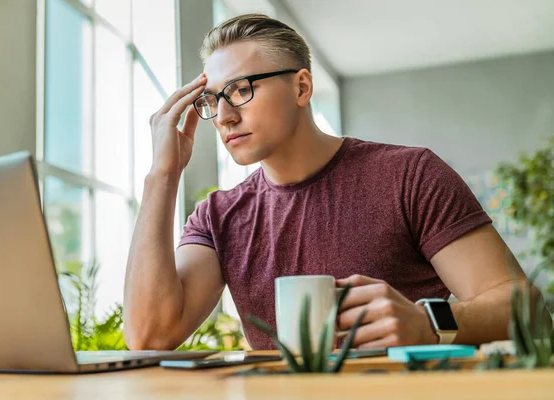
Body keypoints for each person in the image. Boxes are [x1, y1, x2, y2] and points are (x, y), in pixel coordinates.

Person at [123, 13, 534, 351]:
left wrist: (428, 322)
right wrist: (162, 175)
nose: (225, 115)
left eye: (241, 90)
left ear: (301, 87)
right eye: (213, 99)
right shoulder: (218, 215)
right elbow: (151, 335)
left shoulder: (411, 175)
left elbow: (527, 309)